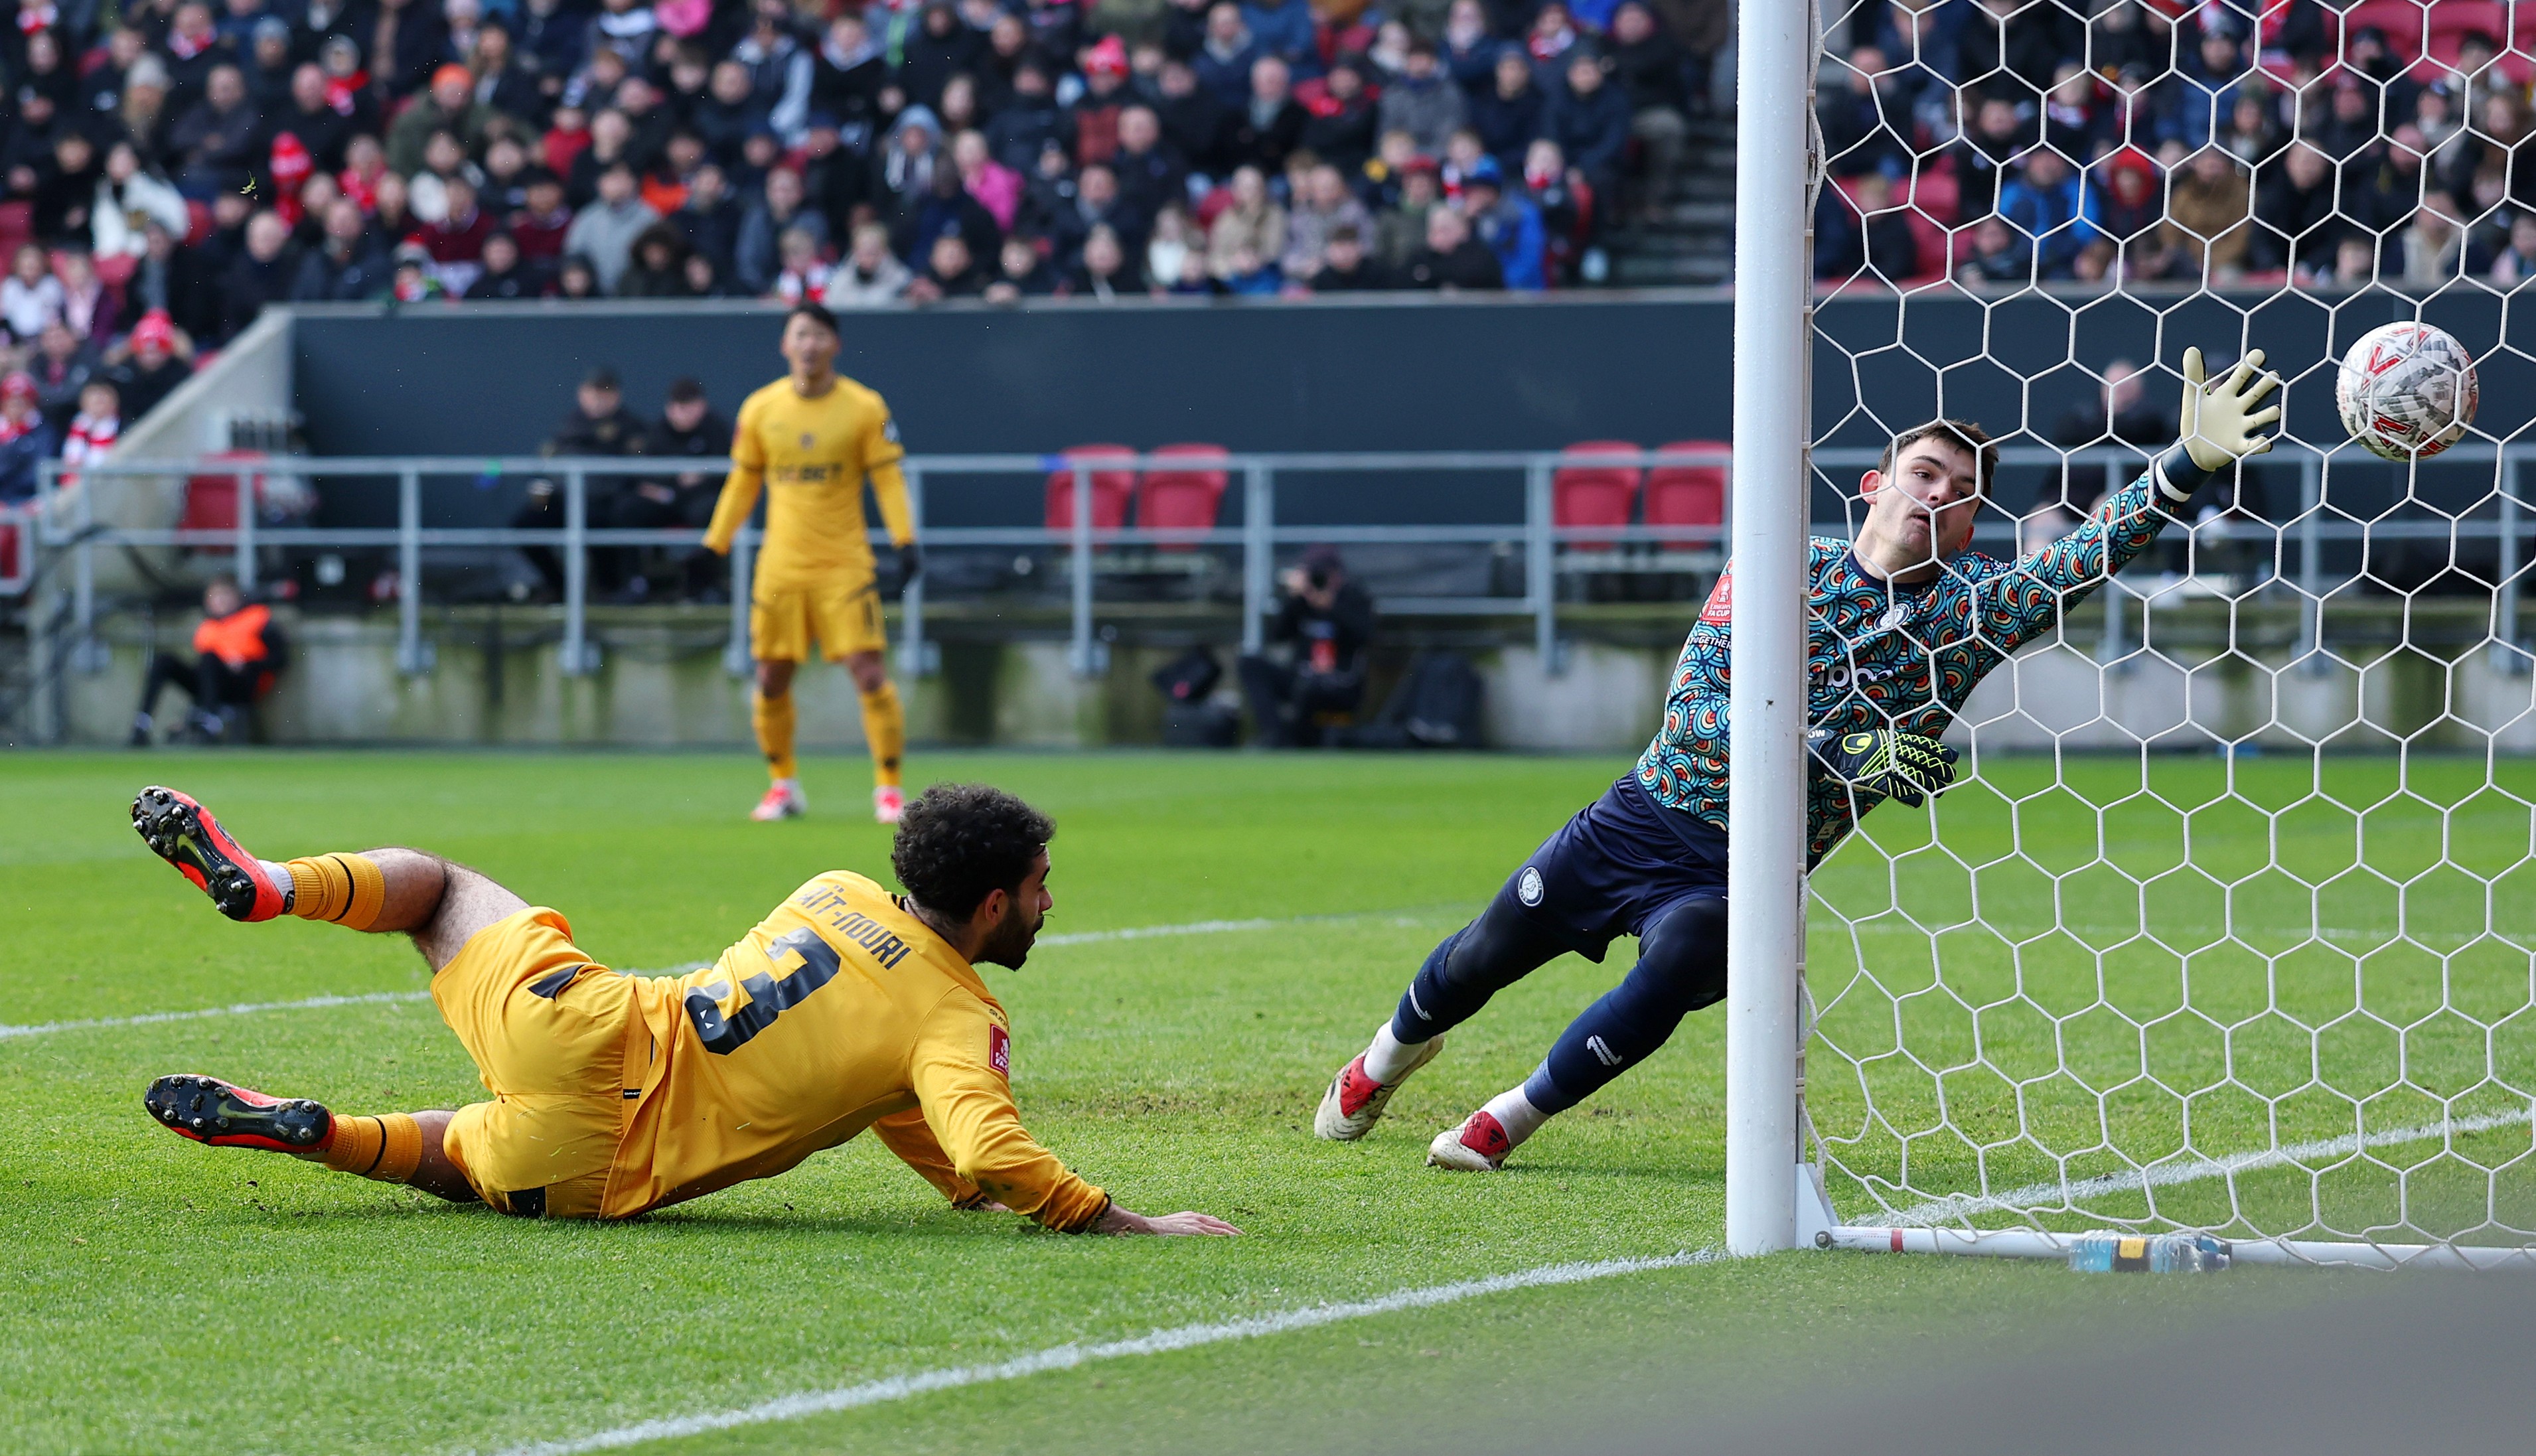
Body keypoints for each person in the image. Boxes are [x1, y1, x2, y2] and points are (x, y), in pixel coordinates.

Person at [1310, 346, 2284, 1170]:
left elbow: (2085, 556)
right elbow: (1693, 704)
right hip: (1642, 814)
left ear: (1971, 527)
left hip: (1744, 867)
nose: (1938, 496)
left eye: (1961, 495)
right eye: (1926, 474)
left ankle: (1507, 1119)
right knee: (1483, 954)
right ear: (1879, 482)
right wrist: (1835, 743)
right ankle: (1384, 1060)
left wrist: (2185, 464)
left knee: (1687, 955)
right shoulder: (1781, 564)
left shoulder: (1971, 610)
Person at [130, 780, 1240, 1238]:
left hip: (581, 1017)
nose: (1050, 902)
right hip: (595, 1167)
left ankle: (273, 885)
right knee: (462, 1162)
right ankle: (324, 1135)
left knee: (433, 886)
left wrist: (954, 1175)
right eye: (1040, 886)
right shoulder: (954, 1016)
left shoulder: (833, 890)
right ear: (994, 902)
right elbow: (981, 1133)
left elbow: (899, 1094)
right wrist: (1120, 1219)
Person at [704, 303, 920, 825]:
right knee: (771, 678)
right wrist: (715, 544)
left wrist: (905, 540)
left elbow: (888, 479)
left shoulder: (865, 407)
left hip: (844, 565)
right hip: (781, 566)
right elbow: (743, 482)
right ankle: (783, 786)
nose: (809, 344)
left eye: (819, 335)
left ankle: (889, 791)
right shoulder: (761, 409)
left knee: (869, 673)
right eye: (800, 334)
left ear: (834, 345)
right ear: (785, 344)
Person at [1238, 544, 1374, 747]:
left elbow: (1365, 636)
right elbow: (1277, 636)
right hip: (1301, 676)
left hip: (1338, 683)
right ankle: (1275, 735)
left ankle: (1296, 742)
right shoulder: (1301, 602)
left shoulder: (1353, 598)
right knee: (1249, 664)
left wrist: (1331, 606)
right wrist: (1294, 599)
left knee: (1310, 689)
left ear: (1336, 573)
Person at [131, 575, 286, 745]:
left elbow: (280, 659)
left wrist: (247, 664)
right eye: (215, 596)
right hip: (209, 686)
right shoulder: (207, 627)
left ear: (237, 598)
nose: (220, 601)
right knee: (165, 661)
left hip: (242, 685)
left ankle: (210, 723)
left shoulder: (257, 619)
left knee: (211, 658)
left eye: (225, 595)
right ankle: (142, 724)